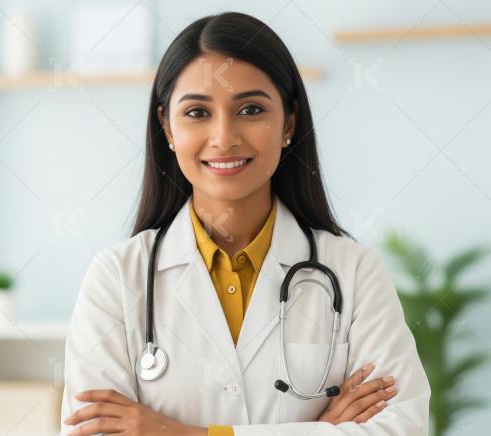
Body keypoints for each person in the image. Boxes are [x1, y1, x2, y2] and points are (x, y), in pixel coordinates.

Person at [59, 11, 430, 436]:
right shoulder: (116, 278)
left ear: (288, 122)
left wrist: (181, 433)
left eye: (250, 109)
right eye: (197, 112)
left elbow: (401, 428)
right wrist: (323, 429)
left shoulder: (354, 273)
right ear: (167, 128)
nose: (224, 137)